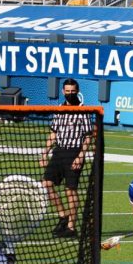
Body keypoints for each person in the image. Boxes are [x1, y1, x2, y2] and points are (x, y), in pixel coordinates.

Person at [41, 78, 95, 239]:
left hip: (74, 152)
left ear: (77, 92)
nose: (70, 94)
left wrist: (80, 156)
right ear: (63, 91)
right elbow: (54, 132)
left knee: (70, 190)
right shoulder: (59, 108)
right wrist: (45, 152)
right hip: (59, 151)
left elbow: (88, 136)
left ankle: (71, 227)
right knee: (46, 184)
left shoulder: (83, 110)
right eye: (68, 91)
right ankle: (63, 215)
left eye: (73, 91)